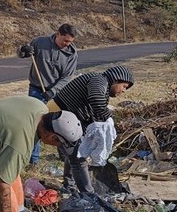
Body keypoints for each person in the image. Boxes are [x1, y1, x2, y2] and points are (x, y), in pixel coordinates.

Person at [52, 65, 134, 193]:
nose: (123, 91)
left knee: (75, 154)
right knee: (78, 158)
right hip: (57, 117)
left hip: (66, 119)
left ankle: (69, 187)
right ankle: (88, 195)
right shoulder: (99, 80)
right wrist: (108, 118)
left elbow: (91, 112)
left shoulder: (102, 85)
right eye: (124, 86)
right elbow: (96, 99)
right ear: (116, 80)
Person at [17, 23, 78, 166]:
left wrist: (53, 91)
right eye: (65, 41)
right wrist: (23, 50)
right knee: (36, 124)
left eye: (70, 42)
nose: (67, 44)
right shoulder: (39, 42)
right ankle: (33, 160)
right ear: (58, 34)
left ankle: (64, 156)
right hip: (36, 90)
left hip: (57, 93)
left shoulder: (71, 54)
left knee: (60, 124)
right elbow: (22, 54)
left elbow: (67, 77)